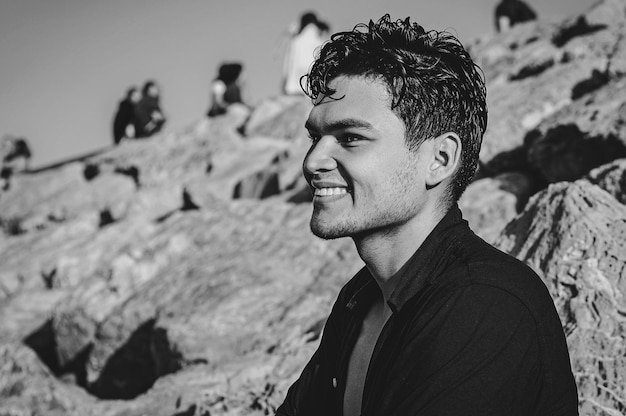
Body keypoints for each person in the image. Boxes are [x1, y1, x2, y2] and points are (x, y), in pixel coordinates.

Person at [276, 15, 578, 416]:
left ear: (439, 159)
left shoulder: (483, 304)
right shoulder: (360, 299)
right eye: (316, 137)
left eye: (351, 138)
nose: (313, 161)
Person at [282, 11, 330, 95]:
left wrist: (285, 78)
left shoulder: (297, 40)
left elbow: (289, 61)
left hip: (296, 79)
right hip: (313, 75)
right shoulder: (320, 39)